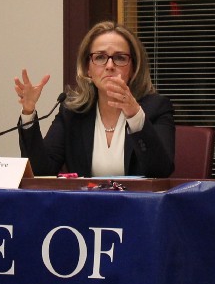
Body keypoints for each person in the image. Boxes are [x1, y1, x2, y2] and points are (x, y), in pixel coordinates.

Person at [15, 21, 175, 177]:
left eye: (120, 58)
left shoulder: (156, 108)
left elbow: (160, 171)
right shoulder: (73, 113)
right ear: (87, 69)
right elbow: (42, 172)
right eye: (100, 57)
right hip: (86, 203)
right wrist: (28, 111)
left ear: (133, 68)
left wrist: (134, 115)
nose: (110, 65)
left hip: (138, 203)